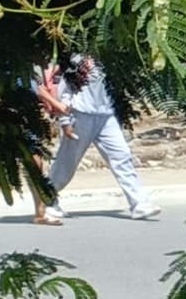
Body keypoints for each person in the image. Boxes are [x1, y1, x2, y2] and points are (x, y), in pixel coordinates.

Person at [31, 49, 150, 223]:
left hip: (106, 115)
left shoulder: (109, 56)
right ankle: (49, 200)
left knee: (122, 156)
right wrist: (65, 121)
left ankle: (139, 203)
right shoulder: (76, 59)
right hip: (80, 115)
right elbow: (65, 90)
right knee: (67, 162)